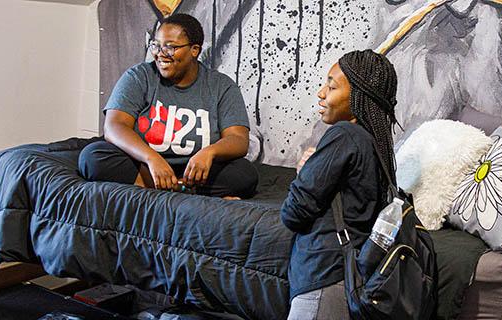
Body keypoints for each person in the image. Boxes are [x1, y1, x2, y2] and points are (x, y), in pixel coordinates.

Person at [79, 13, 258, 199]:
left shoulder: (221, 86)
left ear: (194, 50)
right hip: (145, 165)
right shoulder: (139, 76)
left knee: (245, 175)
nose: (160, 53)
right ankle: (181, 191)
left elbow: (238, 139)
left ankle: (167, 187)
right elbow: (114, 126)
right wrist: (151, 158)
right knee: (92, 157)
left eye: (171, 47)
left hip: (195, 173)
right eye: (156, 45)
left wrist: (209, 152)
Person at [280, 50, 400, 320]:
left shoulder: (344, 135)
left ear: (358, 95)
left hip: (322, 279)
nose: (321, 93)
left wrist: (305, 171)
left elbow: (293, 212)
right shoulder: (375, 145)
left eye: (332, 86)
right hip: (346, 281)